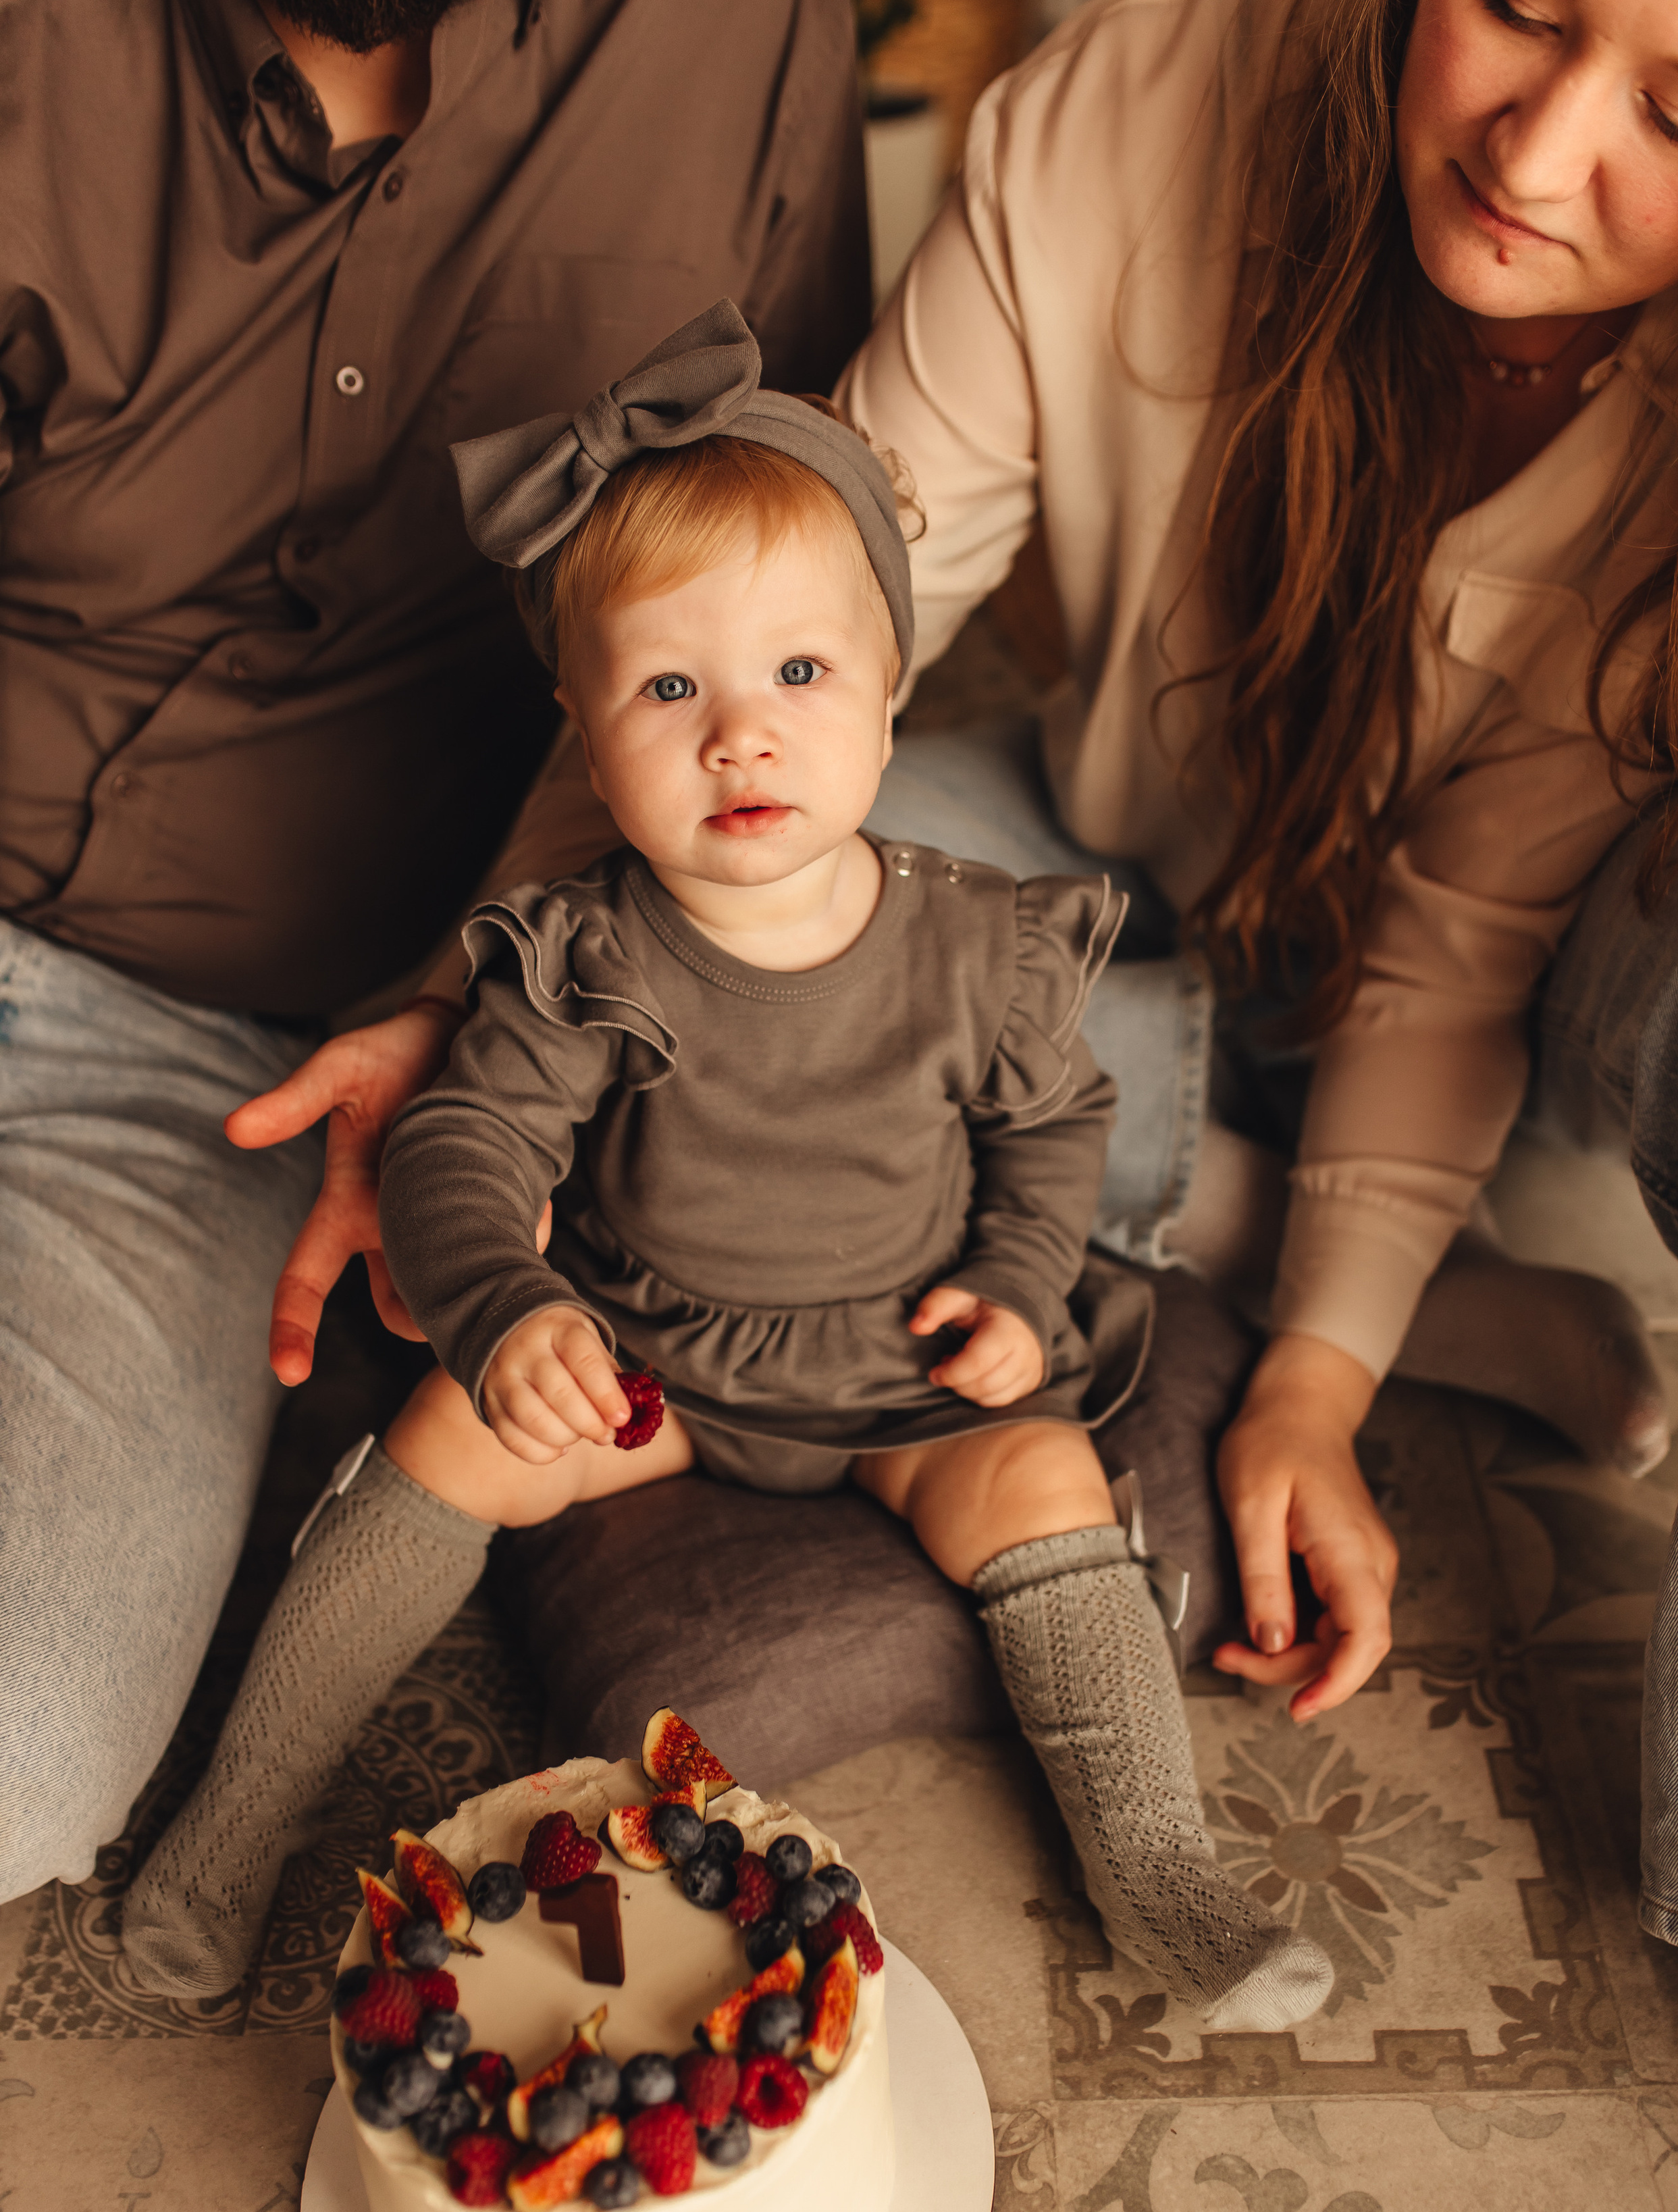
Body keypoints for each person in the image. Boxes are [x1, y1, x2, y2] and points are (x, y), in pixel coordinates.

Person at [120, 302, 1337, 2032]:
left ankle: (1155, 1870)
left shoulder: (972, 944)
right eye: (669, 686)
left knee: (1045, 1477)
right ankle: (230, 1834)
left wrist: (1006, 1284)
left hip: (897, 1355)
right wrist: (510, 1303)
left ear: (892, 685)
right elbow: (468, 1135)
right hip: (651, 1347)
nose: (737, 735)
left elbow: (1054, 1123)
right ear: (583, 720)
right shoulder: (584, 947)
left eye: (798, 675)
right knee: (450, 1436)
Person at [838, 0, 1678, 1961]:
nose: (1531, 153)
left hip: (1500, 1000)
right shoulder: (1142, 90)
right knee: (727, 895)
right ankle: (1293, 1230)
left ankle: (1296, 1235)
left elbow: (1462, 947)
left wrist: (1310, 1396)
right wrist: (514, 977)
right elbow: (820, 609)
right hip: (1133, 860)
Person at [0, 0, 868, 1906]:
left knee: (24, 1767)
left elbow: (754, 592)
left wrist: (482, 992)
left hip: (249, 1062)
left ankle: (1282, 1209)